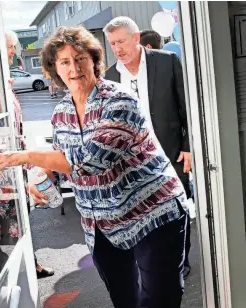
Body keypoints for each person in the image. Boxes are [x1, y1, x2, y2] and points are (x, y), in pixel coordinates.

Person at [0, 26, 189, 308]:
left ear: (94, 60)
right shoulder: (61, 113)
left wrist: (28, 156)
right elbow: (62, 160)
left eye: (80, 58)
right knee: (124, 298)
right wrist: (43, 180)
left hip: (153, 214)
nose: (74, 68)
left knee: (158, 300)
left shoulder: (119, 101)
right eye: (65, 62)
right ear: (54, 69)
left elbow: (90, 161)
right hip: (102, 223)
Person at [104, 17, 192, 278]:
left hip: (171, 152)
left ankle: (179, 262)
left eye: (121, 41)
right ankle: (149, 264)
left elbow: (186, 106)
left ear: (136, 37)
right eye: (112, 44)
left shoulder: (166, 62)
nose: (117, 48)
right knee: (141, 214)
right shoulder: (110, 77)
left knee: (176, 211)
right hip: (131, 163)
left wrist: (188, 147)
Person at [0, 28, 54, 278]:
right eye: (10, 46)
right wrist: (3, 94)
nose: (14, 51)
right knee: (4, 226)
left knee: (20, 218)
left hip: (12, 162)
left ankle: (30, 266)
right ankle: (11, 276)